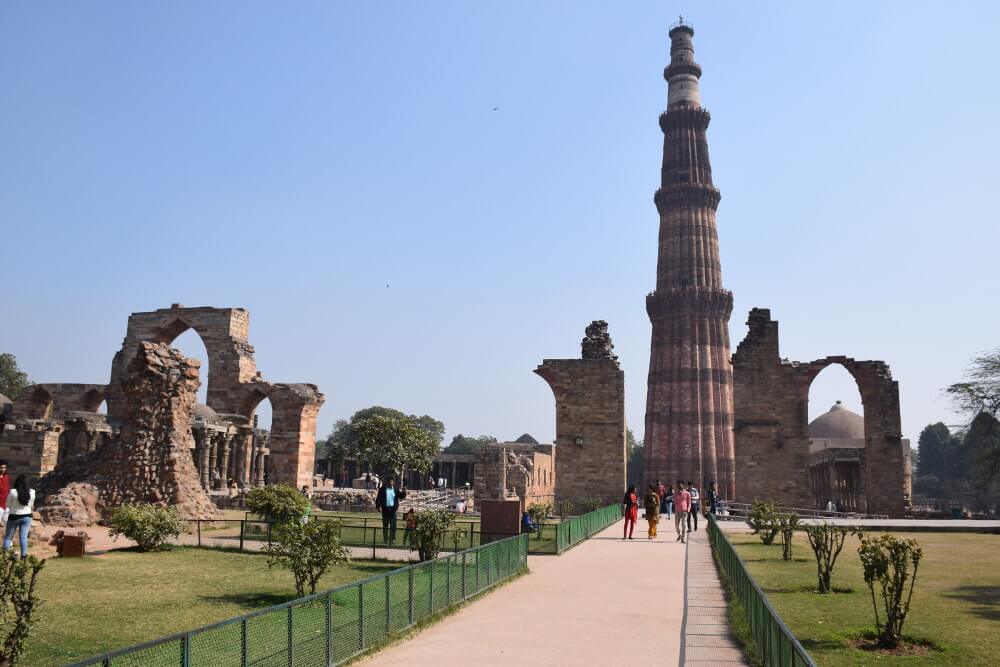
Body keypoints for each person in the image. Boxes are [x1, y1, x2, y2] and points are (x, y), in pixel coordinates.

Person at [3, 476, 35, 558]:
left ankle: (5, 557)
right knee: (23, 537)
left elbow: (7, 505)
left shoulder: (13, 492)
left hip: (14, 516)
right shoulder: (32, 492)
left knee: (8, 537)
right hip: (27, 516)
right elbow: (31, 505)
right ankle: (23, 556)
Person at [375, 477, 406, 546]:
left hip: (393, 511)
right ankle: (385, 540)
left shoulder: (395, 489)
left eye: (391, 481)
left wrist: (404, 492)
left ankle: (392, 540)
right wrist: (378, 506)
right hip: (385, 511)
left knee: (393, 527)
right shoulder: (382, 489)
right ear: (387, 482)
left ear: (393, 482)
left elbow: (401, 496)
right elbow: (378, 498)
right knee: (385, 527)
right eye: (389, 481)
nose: (390, 483)